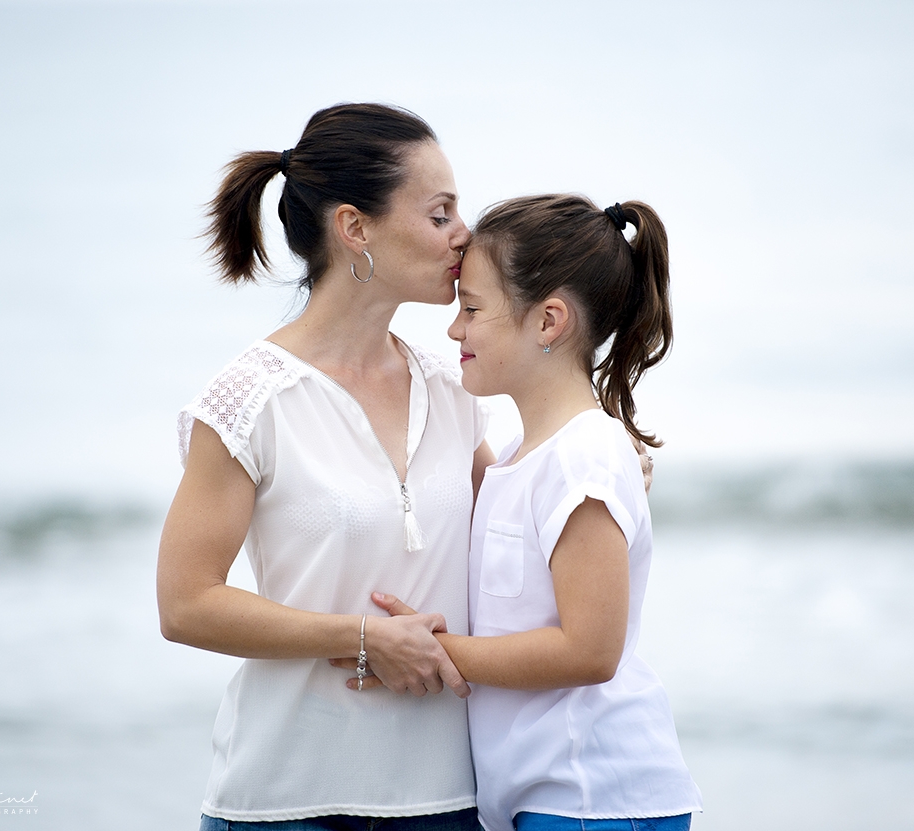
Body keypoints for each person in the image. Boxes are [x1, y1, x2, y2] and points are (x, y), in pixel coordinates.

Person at [156, 103, 494, 831]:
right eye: (440, 214)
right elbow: (185, 604)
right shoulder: (248, 399)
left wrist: (599, 458)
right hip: (285, 802)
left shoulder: (453, 386)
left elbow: (513, 530)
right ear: (354, 228)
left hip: (447, 799)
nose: (464, 233)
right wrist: (364, 637)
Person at [348, 195, 703, 831]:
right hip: (548, 800)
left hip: (597, 799)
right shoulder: (522, 455)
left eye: (473, 309)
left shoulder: (585, 456)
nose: (455, 329)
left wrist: (434, 651)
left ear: (548, 322)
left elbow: (591, 651)